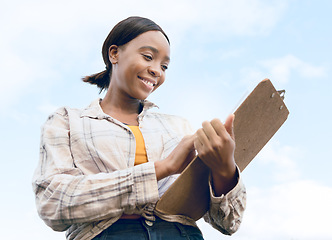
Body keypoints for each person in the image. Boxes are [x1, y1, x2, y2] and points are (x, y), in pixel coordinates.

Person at [32, 16, 246, 240]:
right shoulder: (68, 120)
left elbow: (229, 222)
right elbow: (52, 203)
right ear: (114, 53)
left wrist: (224, 169)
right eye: (148, 57)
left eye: (164, 66)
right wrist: (163, 168)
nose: (157, 71)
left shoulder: (178, 127)